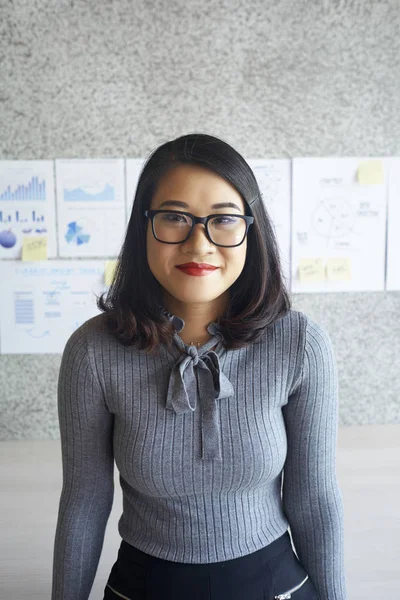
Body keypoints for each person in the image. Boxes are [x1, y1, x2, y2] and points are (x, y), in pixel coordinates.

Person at [51, 133, 347, 600]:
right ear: (143, 228)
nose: (199, 243)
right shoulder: (92, 352)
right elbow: (84, 504)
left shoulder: (299, 343)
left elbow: (315, 502)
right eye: (174, 217)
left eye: (223, 220)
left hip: (277, 587)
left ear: (251, 229)